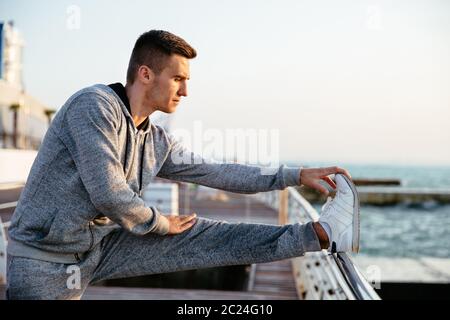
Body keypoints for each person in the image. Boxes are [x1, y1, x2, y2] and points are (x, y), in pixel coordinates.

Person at [6, 30, 359, 300]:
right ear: (146, 74)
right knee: (174, 227)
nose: (185, 91)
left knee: (205, 234)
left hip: (96, 249)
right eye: (178, 78)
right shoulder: (95, 107)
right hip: (43, 258)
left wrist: (294, 175)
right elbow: (108, 192)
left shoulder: (154, 139)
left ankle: (319, 234)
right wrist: (160, 223)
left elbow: (218, 172)